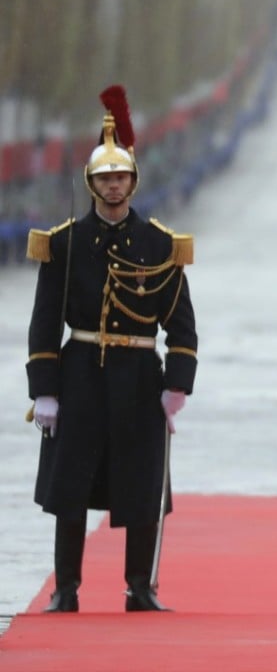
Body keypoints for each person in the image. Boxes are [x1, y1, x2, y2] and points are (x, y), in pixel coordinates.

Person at [25, 85, 198, 613]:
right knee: (71, 485)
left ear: (133, 181)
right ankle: (66, 589)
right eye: (104, 178)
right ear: (92, 183)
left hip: (139, 378)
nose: (113, 185)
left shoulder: (160, 246)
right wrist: (45, 393)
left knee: (142, 487)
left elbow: (183, 328)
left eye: (120, 176)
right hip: (79, 373)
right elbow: (43, 324)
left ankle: (140, 588)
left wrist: (176, 388)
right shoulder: (65, 243)